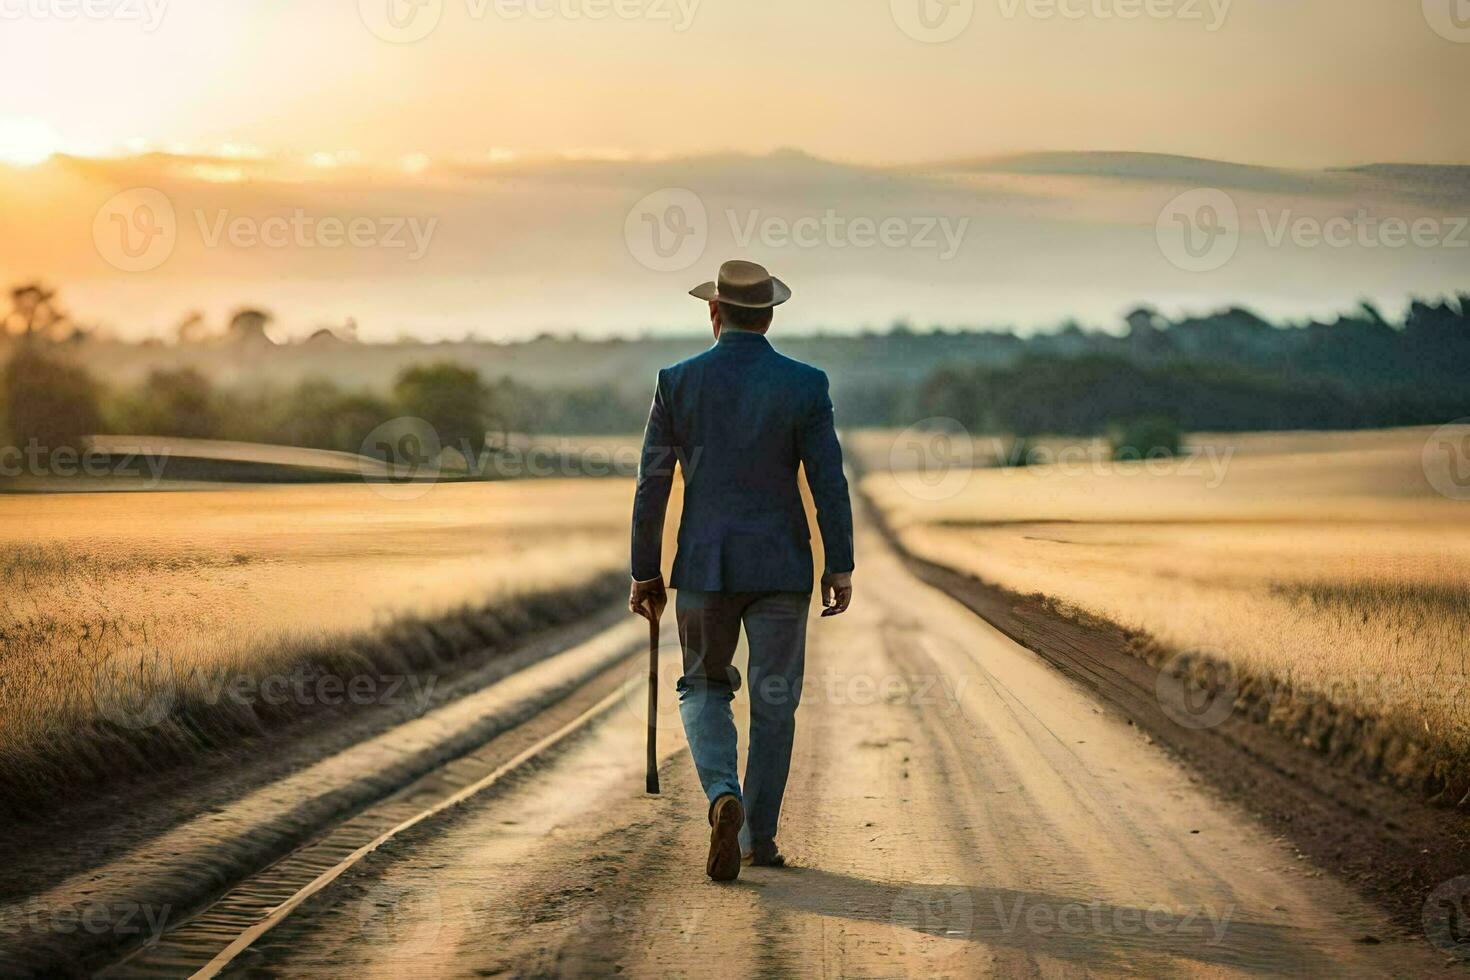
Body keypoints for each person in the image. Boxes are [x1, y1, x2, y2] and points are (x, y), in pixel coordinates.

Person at [628, 259, 855, 882]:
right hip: (783, 565)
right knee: (775, 702)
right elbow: (827, 481)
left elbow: (652, 484)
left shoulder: (677, 382)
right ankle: (759, 837)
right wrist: (840, 564)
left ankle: (720, 793)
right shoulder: (805, 384)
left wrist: (645, 571)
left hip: (704, 564)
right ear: (771, 315)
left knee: (702, 685)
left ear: (714, 312)